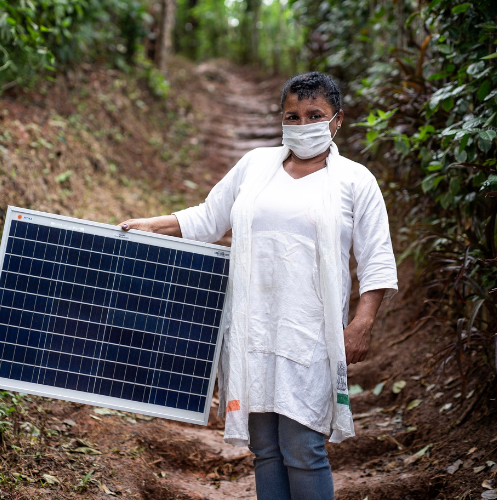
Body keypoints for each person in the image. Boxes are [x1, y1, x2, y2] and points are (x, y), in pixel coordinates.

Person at [118, 72, 398, 500]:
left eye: (315, 115)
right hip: (252, 329)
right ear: (281, 119)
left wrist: (362, 324)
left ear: (337, 120)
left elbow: (376, 257)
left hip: (310, 333)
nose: (303, 125)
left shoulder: (355, 181)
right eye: (293, 116)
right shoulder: (255, 165)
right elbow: (209, 218)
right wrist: (150, 225)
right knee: (265, 448)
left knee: (303, 447)